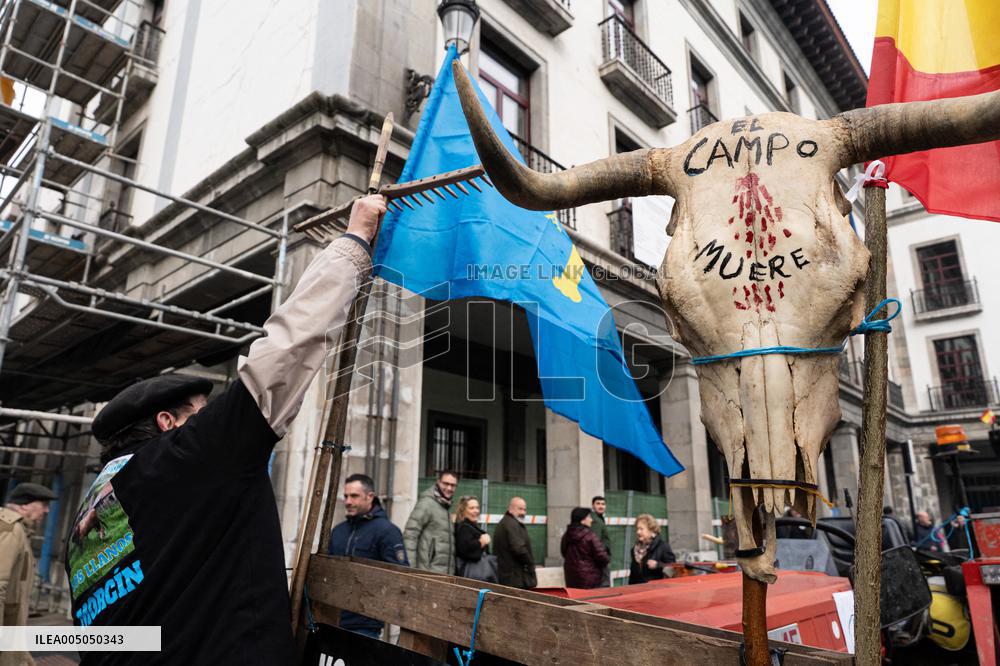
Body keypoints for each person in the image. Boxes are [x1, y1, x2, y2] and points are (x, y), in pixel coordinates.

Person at [64, 195, 386, 664]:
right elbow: (283, 355)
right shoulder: (184, 460)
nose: (211, 416)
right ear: (168, 423)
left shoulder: (82, 522)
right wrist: (354, 241)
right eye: (201, 410)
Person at [327, 473, 408, 639]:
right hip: (331, 621)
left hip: (365, 626)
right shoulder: (338, 531)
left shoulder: (387, 532)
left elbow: (400, 577)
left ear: (370, 497)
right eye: (346, 496)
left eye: (354, 496)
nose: (348, 501)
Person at [1, 483, 57, 665]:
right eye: (43, 504)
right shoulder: (11, 530)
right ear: (25, 505)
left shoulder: (18, 531)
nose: (47, 511)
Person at [403, 470, 457, 573]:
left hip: (442, 573)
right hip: (428, 572)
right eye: (446, 483)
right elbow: (410, 534)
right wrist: (410, 569)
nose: (449, 488)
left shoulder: (444, 506)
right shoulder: (427, 503)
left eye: (453, 485)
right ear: (438, 482)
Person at [492, 497, 536, 589]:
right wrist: (530, 563)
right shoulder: (510, 524)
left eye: (525, 509)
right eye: (520, 509)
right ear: (511, 509)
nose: (523, 513)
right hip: (514, 579)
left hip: (512, 577)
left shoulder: (509, 522)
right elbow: (519, 549)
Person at [561, 507, 609, 589]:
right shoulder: (589, 536)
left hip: (571, 577)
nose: (591, 520)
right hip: (590, 578)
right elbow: (602, 557)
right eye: (589, 517)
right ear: (582, 520)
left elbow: (563, 551)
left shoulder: (567, 535)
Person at [454, 495, 496, 582]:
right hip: (471, 576)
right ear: (463, 510)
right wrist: (481, 542)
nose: (476, 511)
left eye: (477, 508)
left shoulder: (470, 526)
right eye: (471, 508)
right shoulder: (464, 528)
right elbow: (464, 549)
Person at [628, 514, 676, 585]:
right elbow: (633, 576)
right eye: (637, 529)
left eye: (641, 529)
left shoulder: (662, 546)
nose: (638, 532)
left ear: (651, 530)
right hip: (638, 591)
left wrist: (658, 565)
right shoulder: (634, 550)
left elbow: (673, 567)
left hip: (657, 590)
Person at [589, 496, 612, 587]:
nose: (601, 506)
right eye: (598, 504)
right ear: (593, 505)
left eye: (603, 504)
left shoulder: (599, 518)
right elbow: (596, 542)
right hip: (600, 560)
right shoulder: (595, 521)